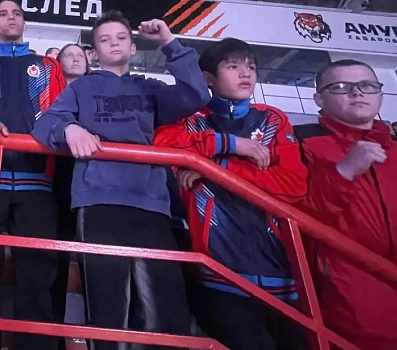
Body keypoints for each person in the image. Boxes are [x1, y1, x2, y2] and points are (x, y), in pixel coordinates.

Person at [32, 11, 210, 350]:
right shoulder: (81, 87)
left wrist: (169, 43)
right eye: (105, 39)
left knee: (164, 302)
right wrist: (69, 129)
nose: (114, 43)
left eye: (121, 37)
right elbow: (45, 123)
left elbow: (197, 95)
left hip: (150, 202)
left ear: (132, 46)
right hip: (98, 200)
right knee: (108, 302)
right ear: (94, 52)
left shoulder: (149, 88)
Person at [154, 38, 308, 350]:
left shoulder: (273, 119)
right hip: (219, 273)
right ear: (208, 78)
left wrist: (216, 167)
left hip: (282, 273)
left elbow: (294, 184)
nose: (245, 73)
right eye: (233, 66)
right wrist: (232, 146)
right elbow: (161, 145)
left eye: (251, 67)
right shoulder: (192, 120)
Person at [0, 0, 66, 350]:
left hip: (36, 185)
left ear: (24, 23)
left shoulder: (48, 67)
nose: (10, 18)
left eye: (16, 13)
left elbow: (59, 113)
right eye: (3, 14)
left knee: (36, 281)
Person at [294, 59, 397, 350]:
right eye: (341, 86)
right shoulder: (301, 143)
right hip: (347, 298)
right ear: (318, 99)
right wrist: (344, 171)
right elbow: (299, 218)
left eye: (367, 85)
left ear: (380, 95)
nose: (357, 92)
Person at [51, 44, 89, 350]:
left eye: (80, 55)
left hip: (92, 184)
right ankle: (54, 335)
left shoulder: (98, 92)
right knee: (57, 260)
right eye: (69, 55)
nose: (76, 59)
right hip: (57, 183)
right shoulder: (48, 94)